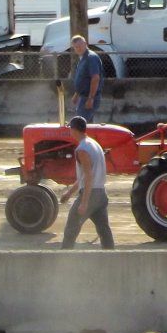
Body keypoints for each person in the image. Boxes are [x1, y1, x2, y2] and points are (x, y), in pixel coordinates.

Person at [60, 115, 115, 250]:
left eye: (70, 129)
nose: (70, 132)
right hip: (101, 194)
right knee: (104, 230)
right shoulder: (95, 144)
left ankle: (63, 256)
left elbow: (89, 177)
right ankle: (112, 258)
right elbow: (85, 176)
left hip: (91, 194)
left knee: (71, 227)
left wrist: (84, 203)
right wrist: (69, 193)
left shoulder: (82, 149)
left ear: (74, 130)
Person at [69, 35, 103, 123]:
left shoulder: (91, 58)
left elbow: (95, 78)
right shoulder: (82, 58)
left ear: (85, 44)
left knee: (79, 124)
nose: (78, 48)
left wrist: (91, 98)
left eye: (80, 46)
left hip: (89, 97)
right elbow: (83, 78)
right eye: (76, 47)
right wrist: (77, 94)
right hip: (83, 96)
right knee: (87, 125)